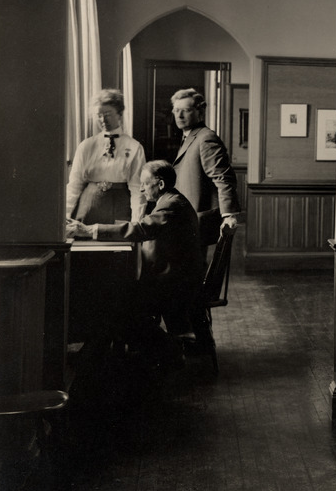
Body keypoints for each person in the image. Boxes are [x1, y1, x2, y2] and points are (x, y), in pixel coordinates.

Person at [68, 160, 203, 340]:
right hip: (173, 278)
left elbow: (141, 229)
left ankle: (163, 348)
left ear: (160, 184)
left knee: (115, 300)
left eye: (145, 184)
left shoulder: (170, 205)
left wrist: (89, 230)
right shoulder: (171, 200)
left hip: (173, 284)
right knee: (115, 297)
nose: (141, 189)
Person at [169, 87, 240, 246]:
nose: (179, 115)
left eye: (186, 110)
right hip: (188, 216)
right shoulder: (189, 137)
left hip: (197, 218)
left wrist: (228, 215)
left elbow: (223, 177)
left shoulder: (206, 138)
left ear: (200, 112)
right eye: (176, 110)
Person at [66, 89, 146, 224]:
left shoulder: (134, 147)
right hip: (88, 208)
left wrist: (136, 223)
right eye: (99, 115)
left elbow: (137, 189)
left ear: (120, 114)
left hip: (120, 208)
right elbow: (74, 184)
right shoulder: (86, 146)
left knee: (118, 236)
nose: (103, 120)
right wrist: (65, 216)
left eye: (108, 114)